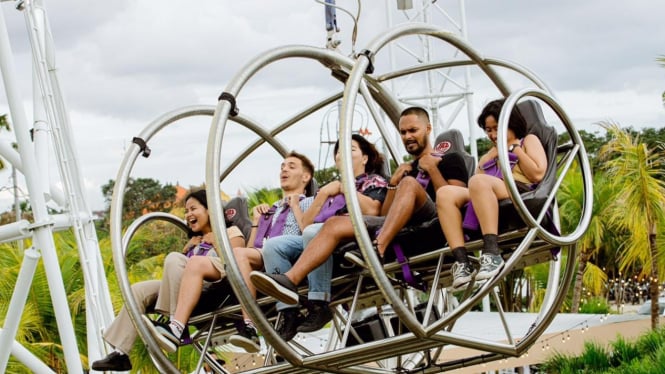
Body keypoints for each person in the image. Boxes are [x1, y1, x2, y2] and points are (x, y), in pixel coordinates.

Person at [251, 106, 469, 322]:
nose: (408, 137)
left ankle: (377, 249)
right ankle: (290, 281)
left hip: (432, 219)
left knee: (410, 184)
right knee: (334, 224)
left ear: (428, 128)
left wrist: (431, 169)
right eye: (403, 133)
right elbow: (385, 213)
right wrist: (394, 185)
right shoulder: (405, 170)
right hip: (397, 224)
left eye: (413, 130)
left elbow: (449, 200)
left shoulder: (448, 159)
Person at [150, 151, 315, 354]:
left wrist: (296, 206)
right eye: (282, 166)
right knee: (197, 263)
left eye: (291, 166)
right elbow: (250, 248)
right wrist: (256, 222)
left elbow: (309, 232)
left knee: (239, 254)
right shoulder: (272, 209)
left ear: (305, 177)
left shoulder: (310, 202)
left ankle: (250, 325)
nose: (284, 169)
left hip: (288, 253)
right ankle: (176, 326)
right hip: (260, 255)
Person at [91, 189, 245, 372]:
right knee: (137, 290)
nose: (188, 215)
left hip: (215, 286)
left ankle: (176, 327)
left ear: (210, 210)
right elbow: (177, 271)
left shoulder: (231, 232)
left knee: (174, 259)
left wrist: (216, 242)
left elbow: (237, 263)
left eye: (193, 209)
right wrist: (186, 250)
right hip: (187, 288)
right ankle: (121, 353)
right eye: (186, 211)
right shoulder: (193, 242)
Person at [257, 134, 387, 340]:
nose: (342, 153)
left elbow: (374, 209)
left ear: (365, 158)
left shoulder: (374, 181)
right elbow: (306, 225)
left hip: (352, 234)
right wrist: (323, 195)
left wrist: (345, 187)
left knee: (313, 232)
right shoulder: (329, 190)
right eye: (338, 151)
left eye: (350, 149)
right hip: (317, 237)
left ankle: (319, 302)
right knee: (274, 246)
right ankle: (289, 310)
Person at [436, 98, 547, 291]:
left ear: (510, 123)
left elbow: (538, 174)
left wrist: (514, 150)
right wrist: (492, 157)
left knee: (479, 181)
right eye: (489, 130)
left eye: (497, 128)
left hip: (520, 190)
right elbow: (475, 187)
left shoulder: (528, 141)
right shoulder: (489, 154)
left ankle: (492, 251)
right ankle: (462, 262)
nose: (494, 135)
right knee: (445, 193)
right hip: (491, 191)